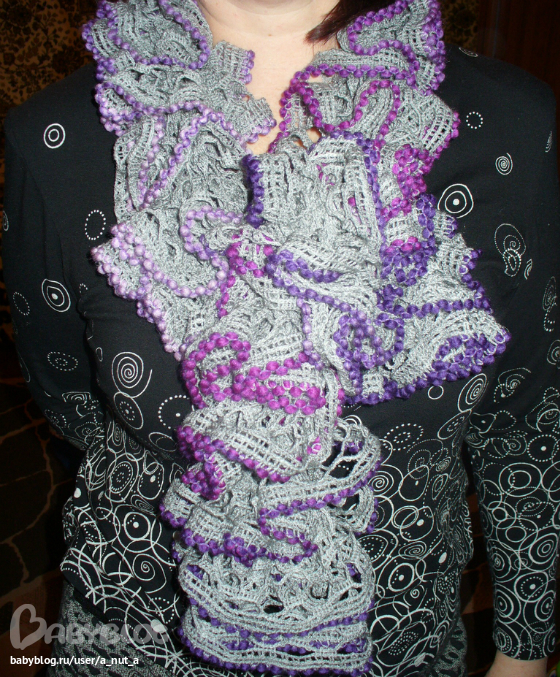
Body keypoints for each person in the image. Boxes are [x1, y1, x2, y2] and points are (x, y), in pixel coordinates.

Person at [3, 0, 560, 675]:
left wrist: (523, 652)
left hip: (402, 643)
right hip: (136, 636)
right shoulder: (54, 138)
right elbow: (70, 402)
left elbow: (527, 420)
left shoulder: (509, 124)